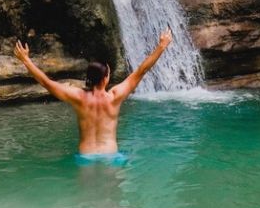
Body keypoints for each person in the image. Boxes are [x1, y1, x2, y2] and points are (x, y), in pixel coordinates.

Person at [13, 28, 173, 163]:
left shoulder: (78, 97)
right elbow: (141, 71)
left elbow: (47, 82)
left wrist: (26, 60)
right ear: (106, 78)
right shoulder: (114, 97)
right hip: (111, 156)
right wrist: (161, 46)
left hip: (86, 157)